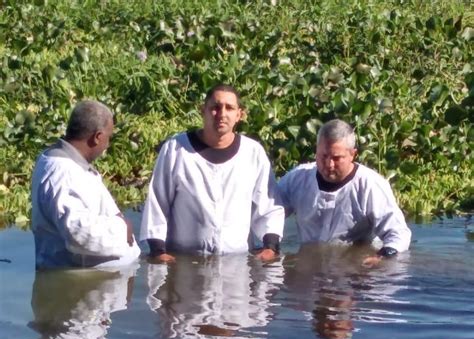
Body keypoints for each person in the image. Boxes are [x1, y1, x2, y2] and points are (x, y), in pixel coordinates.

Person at [139, 84, 284, 262]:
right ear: (203, 111)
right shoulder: (176, 149)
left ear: (239, 115)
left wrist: (270, 247)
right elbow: (157, 202)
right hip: (185, 261)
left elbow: (268, 206)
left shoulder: (253, 153)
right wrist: (158, 251)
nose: (222, 114)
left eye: (229, 108)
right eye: (215, 107)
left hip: (237, 263)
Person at [278, 119, 411, 263]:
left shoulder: (370, 185)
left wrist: (382, 256)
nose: (329, 164)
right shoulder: (297, 178)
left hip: (357, 265)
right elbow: (270, 210)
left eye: (336, 158)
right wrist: (270, 244)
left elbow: (398, 233)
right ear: (316, 150)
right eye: (323, 156)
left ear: (352, 154)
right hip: (309, 263)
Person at [31, 100, 141, 269]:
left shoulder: (67, 164)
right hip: (82, 288)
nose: (108, 144)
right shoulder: (62, 173)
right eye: (108, 137)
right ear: (97, 137)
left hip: (96, 283)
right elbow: (78, 233)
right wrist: (121, 229)